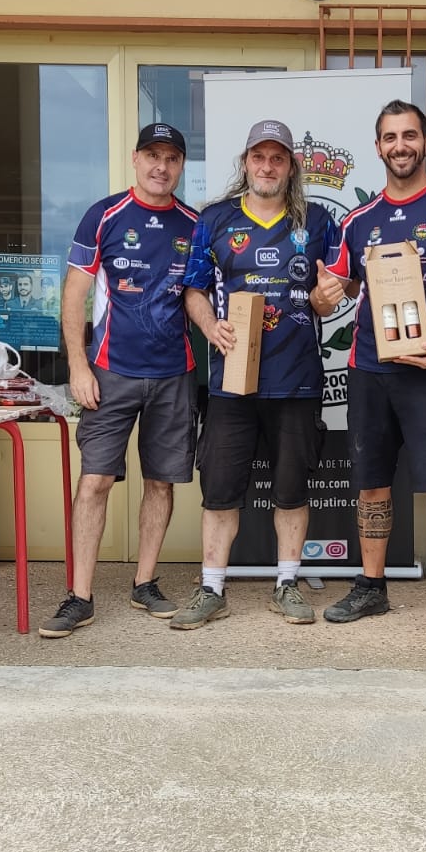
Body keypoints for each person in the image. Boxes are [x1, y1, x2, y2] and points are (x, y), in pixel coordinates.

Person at [313, 100, 426, 652]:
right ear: (378, 147)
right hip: (369, 369)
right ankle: (372, 587)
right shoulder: (356, 221)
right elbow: (333, 295)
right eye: (390, 137)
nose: (400, 146)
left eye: (410, 135)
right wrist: (323, 296)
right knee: (371, 484)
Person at [172, 118, 334, 630]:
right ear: (245, 163)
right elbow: (194, 290)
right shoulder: (215, 219)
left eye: (277, 158)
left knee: (292, 490)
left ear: (291, 166)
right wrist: (210, 326)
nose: (267, 166)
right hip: (232, 381)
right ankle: (211, 588)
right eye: (259, 157)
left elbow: (332, 293)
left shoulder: (317, 220)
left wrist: (327, 296)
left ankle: (287, 583)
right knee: (220, 490)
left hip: (297, 379)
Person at [38, 122, 198, 638]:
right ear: (135, 159)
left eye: (170, 158)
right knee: (95, 482)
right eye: (152, 155)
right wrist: (77, 365)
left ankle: (144, 583)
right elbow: (74, 293)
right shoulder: (104, 215)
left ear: (181, 166)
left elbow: (201, 295)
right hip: (109, 372)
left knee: (161, 482)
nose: (160, 167)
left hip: (174, 374)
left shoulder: (194, 224)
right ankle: (79, 596)